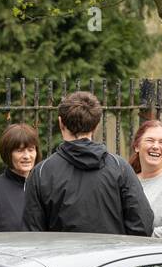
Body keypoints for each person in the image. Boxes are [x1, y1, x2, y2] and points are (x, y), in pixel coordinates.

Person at [23, 91, 154, 236]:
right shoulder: (119, 167)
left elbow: (32, 234)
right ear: (97, 125)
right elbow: (142, 224)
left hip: (62, 257)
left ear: (60, 123)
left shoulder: (42, 172)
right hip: (113, 256)